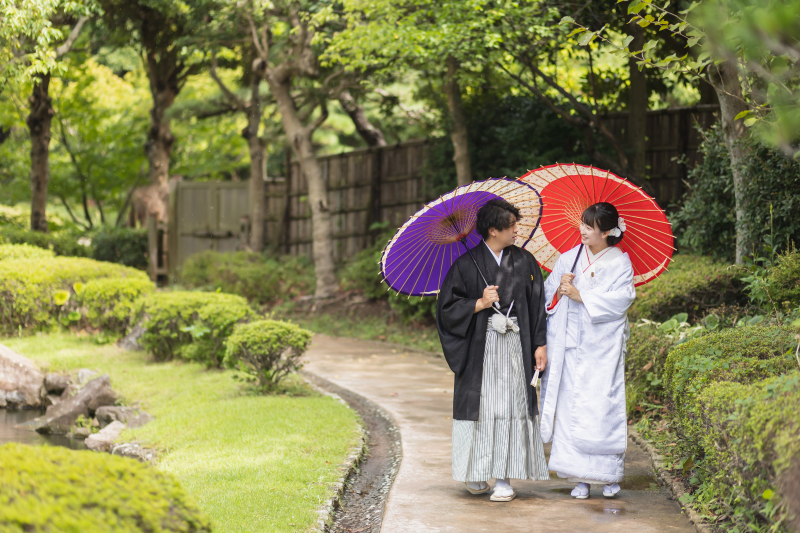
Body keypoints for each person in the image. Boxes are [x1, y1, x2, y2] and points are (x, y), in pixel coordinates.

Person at [436, 198, 549, 503]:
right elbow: (446, 309)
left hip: (515, 346)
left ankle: (503, 477)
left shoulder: (525, 262)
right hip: (480, 348)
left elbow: (537, 305)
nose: (517, 231)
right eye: (512, 226)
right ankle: (474, 471)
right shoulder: (464, 265)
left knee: (510, 408)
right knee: (482, 408)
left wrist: (540, 343)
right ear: (493, 230)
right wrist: (479, 303)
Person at [539, 202, 636, 500]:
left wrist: (582, 296)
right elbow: (545, 297)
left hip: (601, 350)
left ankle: (607, 475)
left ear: (606, 231)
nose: (582, 230)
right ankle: (578, 478)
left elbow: (623, 299)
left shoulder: (620, 263)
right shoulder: (568, 259)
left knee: (600, 409)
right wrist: (559, 289)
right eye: (582, 223)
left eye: (589, 226)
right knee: (570, 411)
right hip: (568, 347)